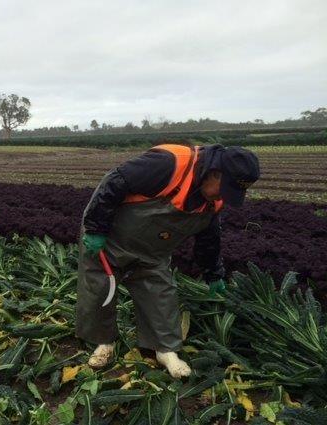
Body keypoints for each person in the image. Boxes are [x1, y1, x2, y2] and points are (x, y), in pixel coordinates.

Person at [76, 143, 260, 379]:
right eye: (224, 188)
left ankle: (165, 350)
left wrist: (213, 273)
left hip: (153, 251)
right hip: (109, 238)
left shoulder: (213, 201)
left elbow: (209, 238)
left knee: (161, 293)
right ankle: (104, 343)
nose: (222, 196)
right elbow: (115, 181)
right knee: (99, 290)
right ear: (215, 173)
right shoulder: (170, 164)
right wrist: (95, 228)